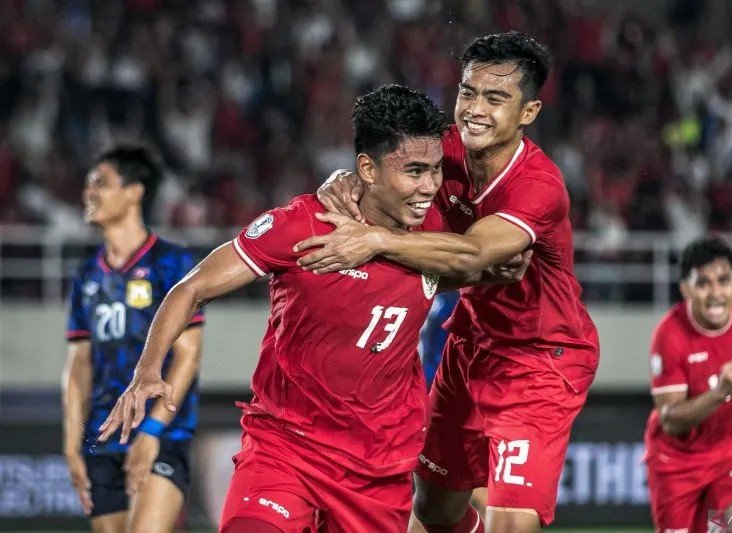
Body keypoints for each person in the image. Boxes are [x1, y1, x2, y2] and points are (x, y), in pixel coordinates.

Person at [97, 85, 516, 532]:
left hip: (378, 466)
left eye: (434, 170)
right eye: (414, 171)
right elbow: (190, 289)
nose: (429, 186)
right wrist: (146, 370)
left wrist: (397, 245)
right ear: (367, 169)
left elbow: (504, 261)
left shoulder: (438, 231)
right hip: (285, 447)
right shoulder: (301, 225)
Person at [303, 31, 599, 532]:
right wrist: (346, 180)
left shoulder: (539, 187)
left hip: (540, 358)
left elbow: (471, 253)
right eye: (468, 92)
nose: (475, 109)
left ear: (528, 113)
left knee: (509, 522)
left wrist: (376, 241)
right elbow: (381, 174)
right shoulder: (443, 150)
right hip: (470, 346)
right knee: (434, 511)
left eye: (496, 98)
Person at [62, 146, 205, 532]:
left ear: (135, 191)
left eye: (100, 183)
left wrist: (152, 431)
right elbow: (78, 365)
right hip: (101, 440)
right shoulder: (85, 277)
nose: (88, 193)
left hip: (162, 435)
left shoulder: (173, 264)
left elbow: (187, 356)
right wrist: (71, 442)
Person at [645, 236, 732, 533]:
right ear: (685, 288)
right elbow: (670, 419)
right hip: (677, 462)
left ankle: (717, 526)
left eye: (724, 280)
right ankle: (711, 526)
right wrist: (720, 393)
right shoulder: (670, 335)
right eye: (703, 283)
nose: (716, 293)